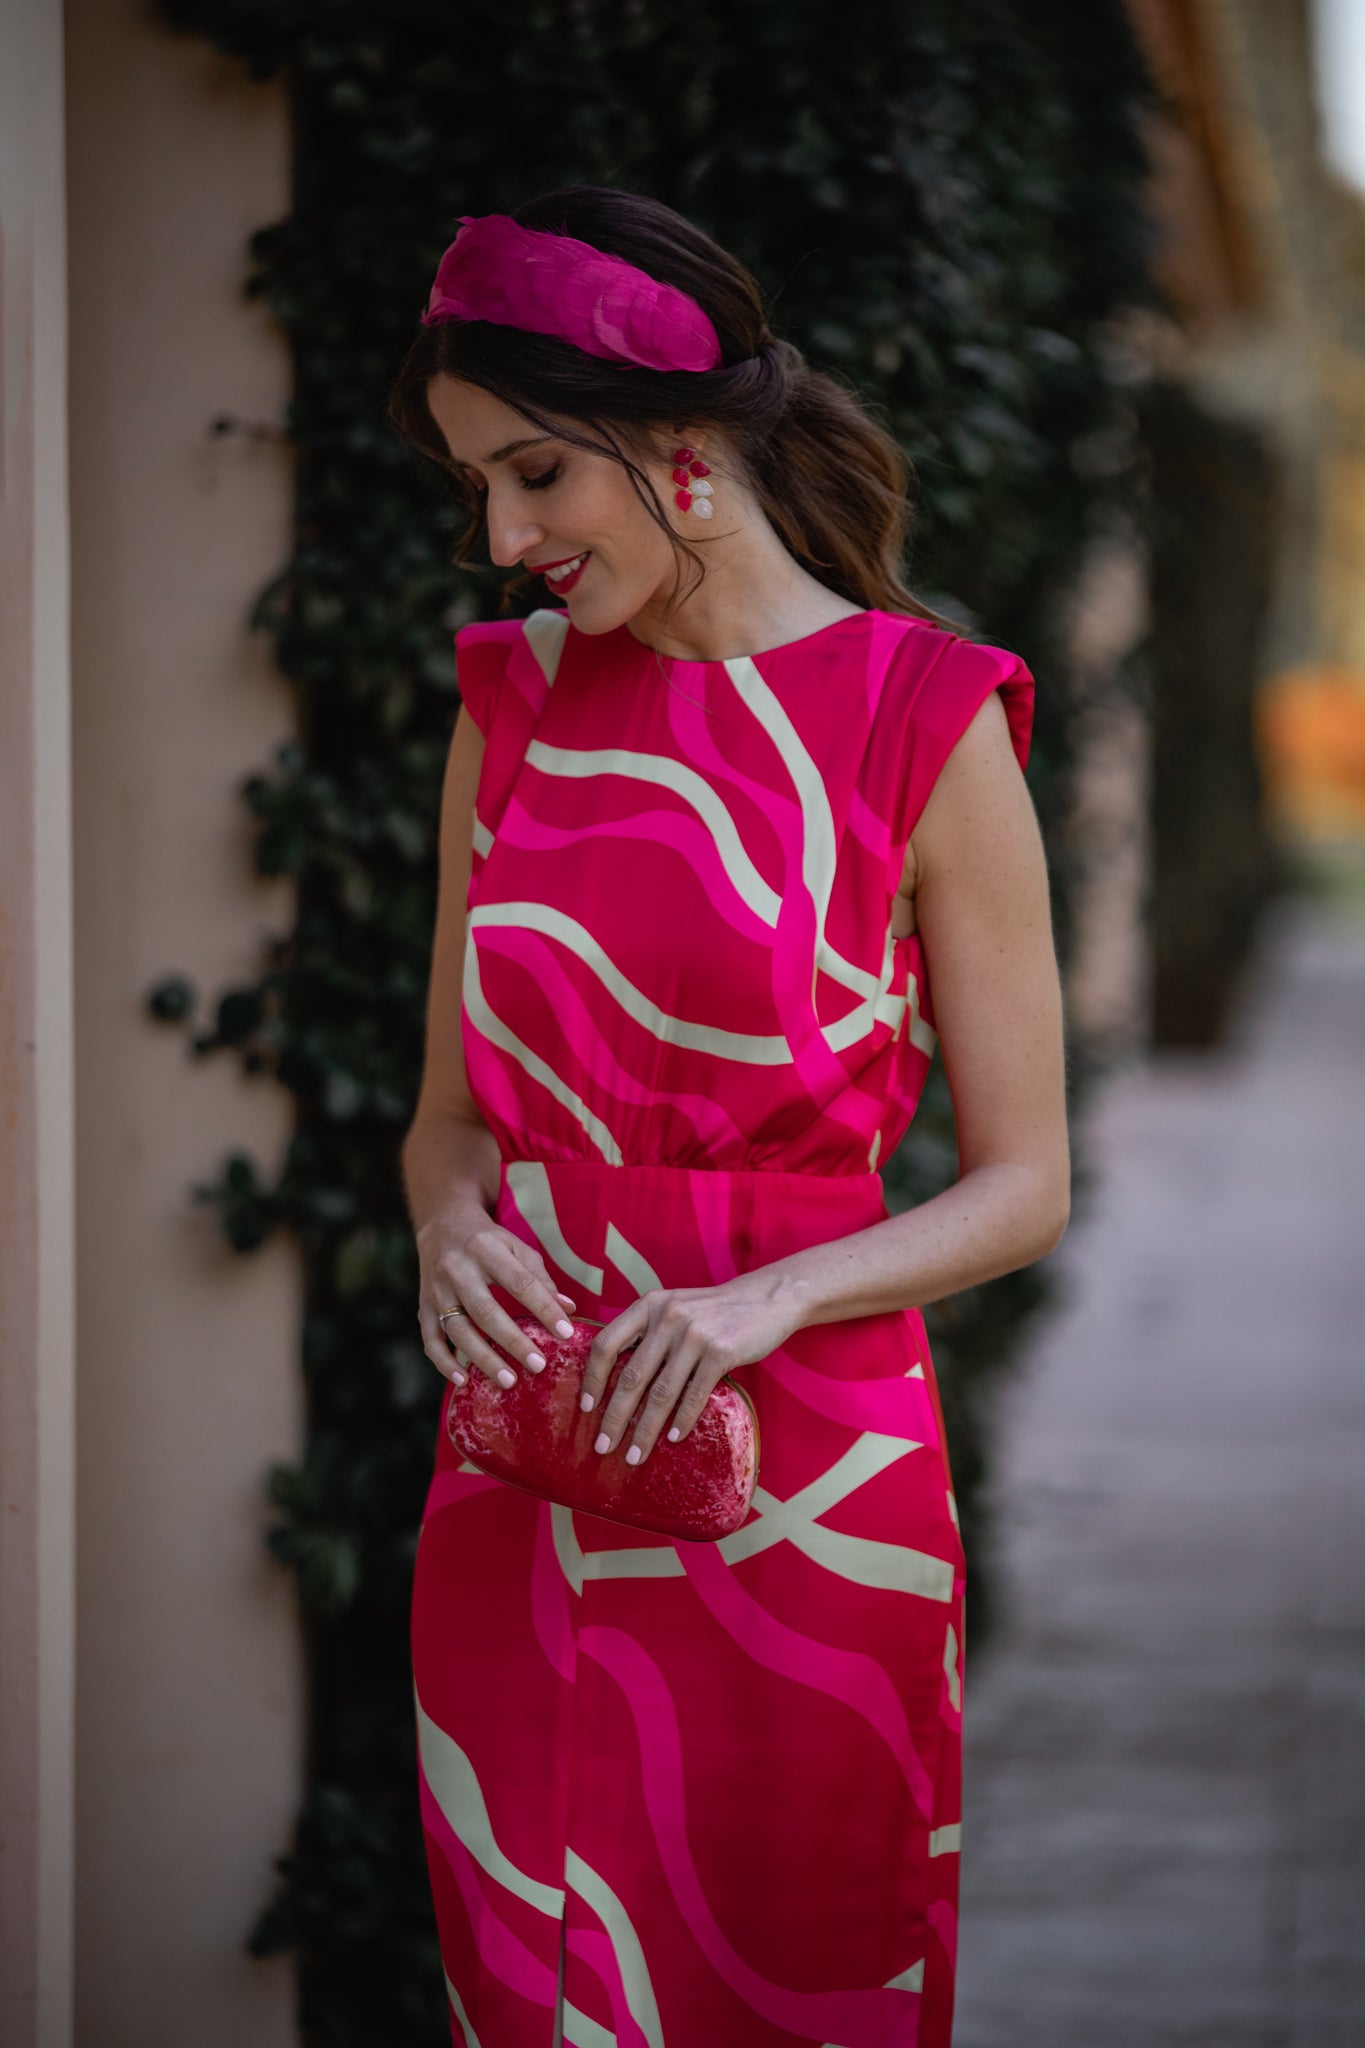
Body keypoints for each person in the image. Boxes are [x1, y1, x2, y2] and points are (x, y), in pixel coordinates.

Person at [389, 185, 1069, 2048]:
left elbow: (1024, 1184)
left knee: (788, 1976)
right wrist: (451, 1223)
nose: (506, 535)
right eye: (480, 489)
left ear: (682, 450)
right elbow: (447, 1115)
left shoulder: (925, 715)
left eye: (537, 473)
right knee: (528, 1987)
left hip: (811, 1480)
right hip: (521, 1462)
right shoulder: (506, 706)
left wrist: (766, 1301)